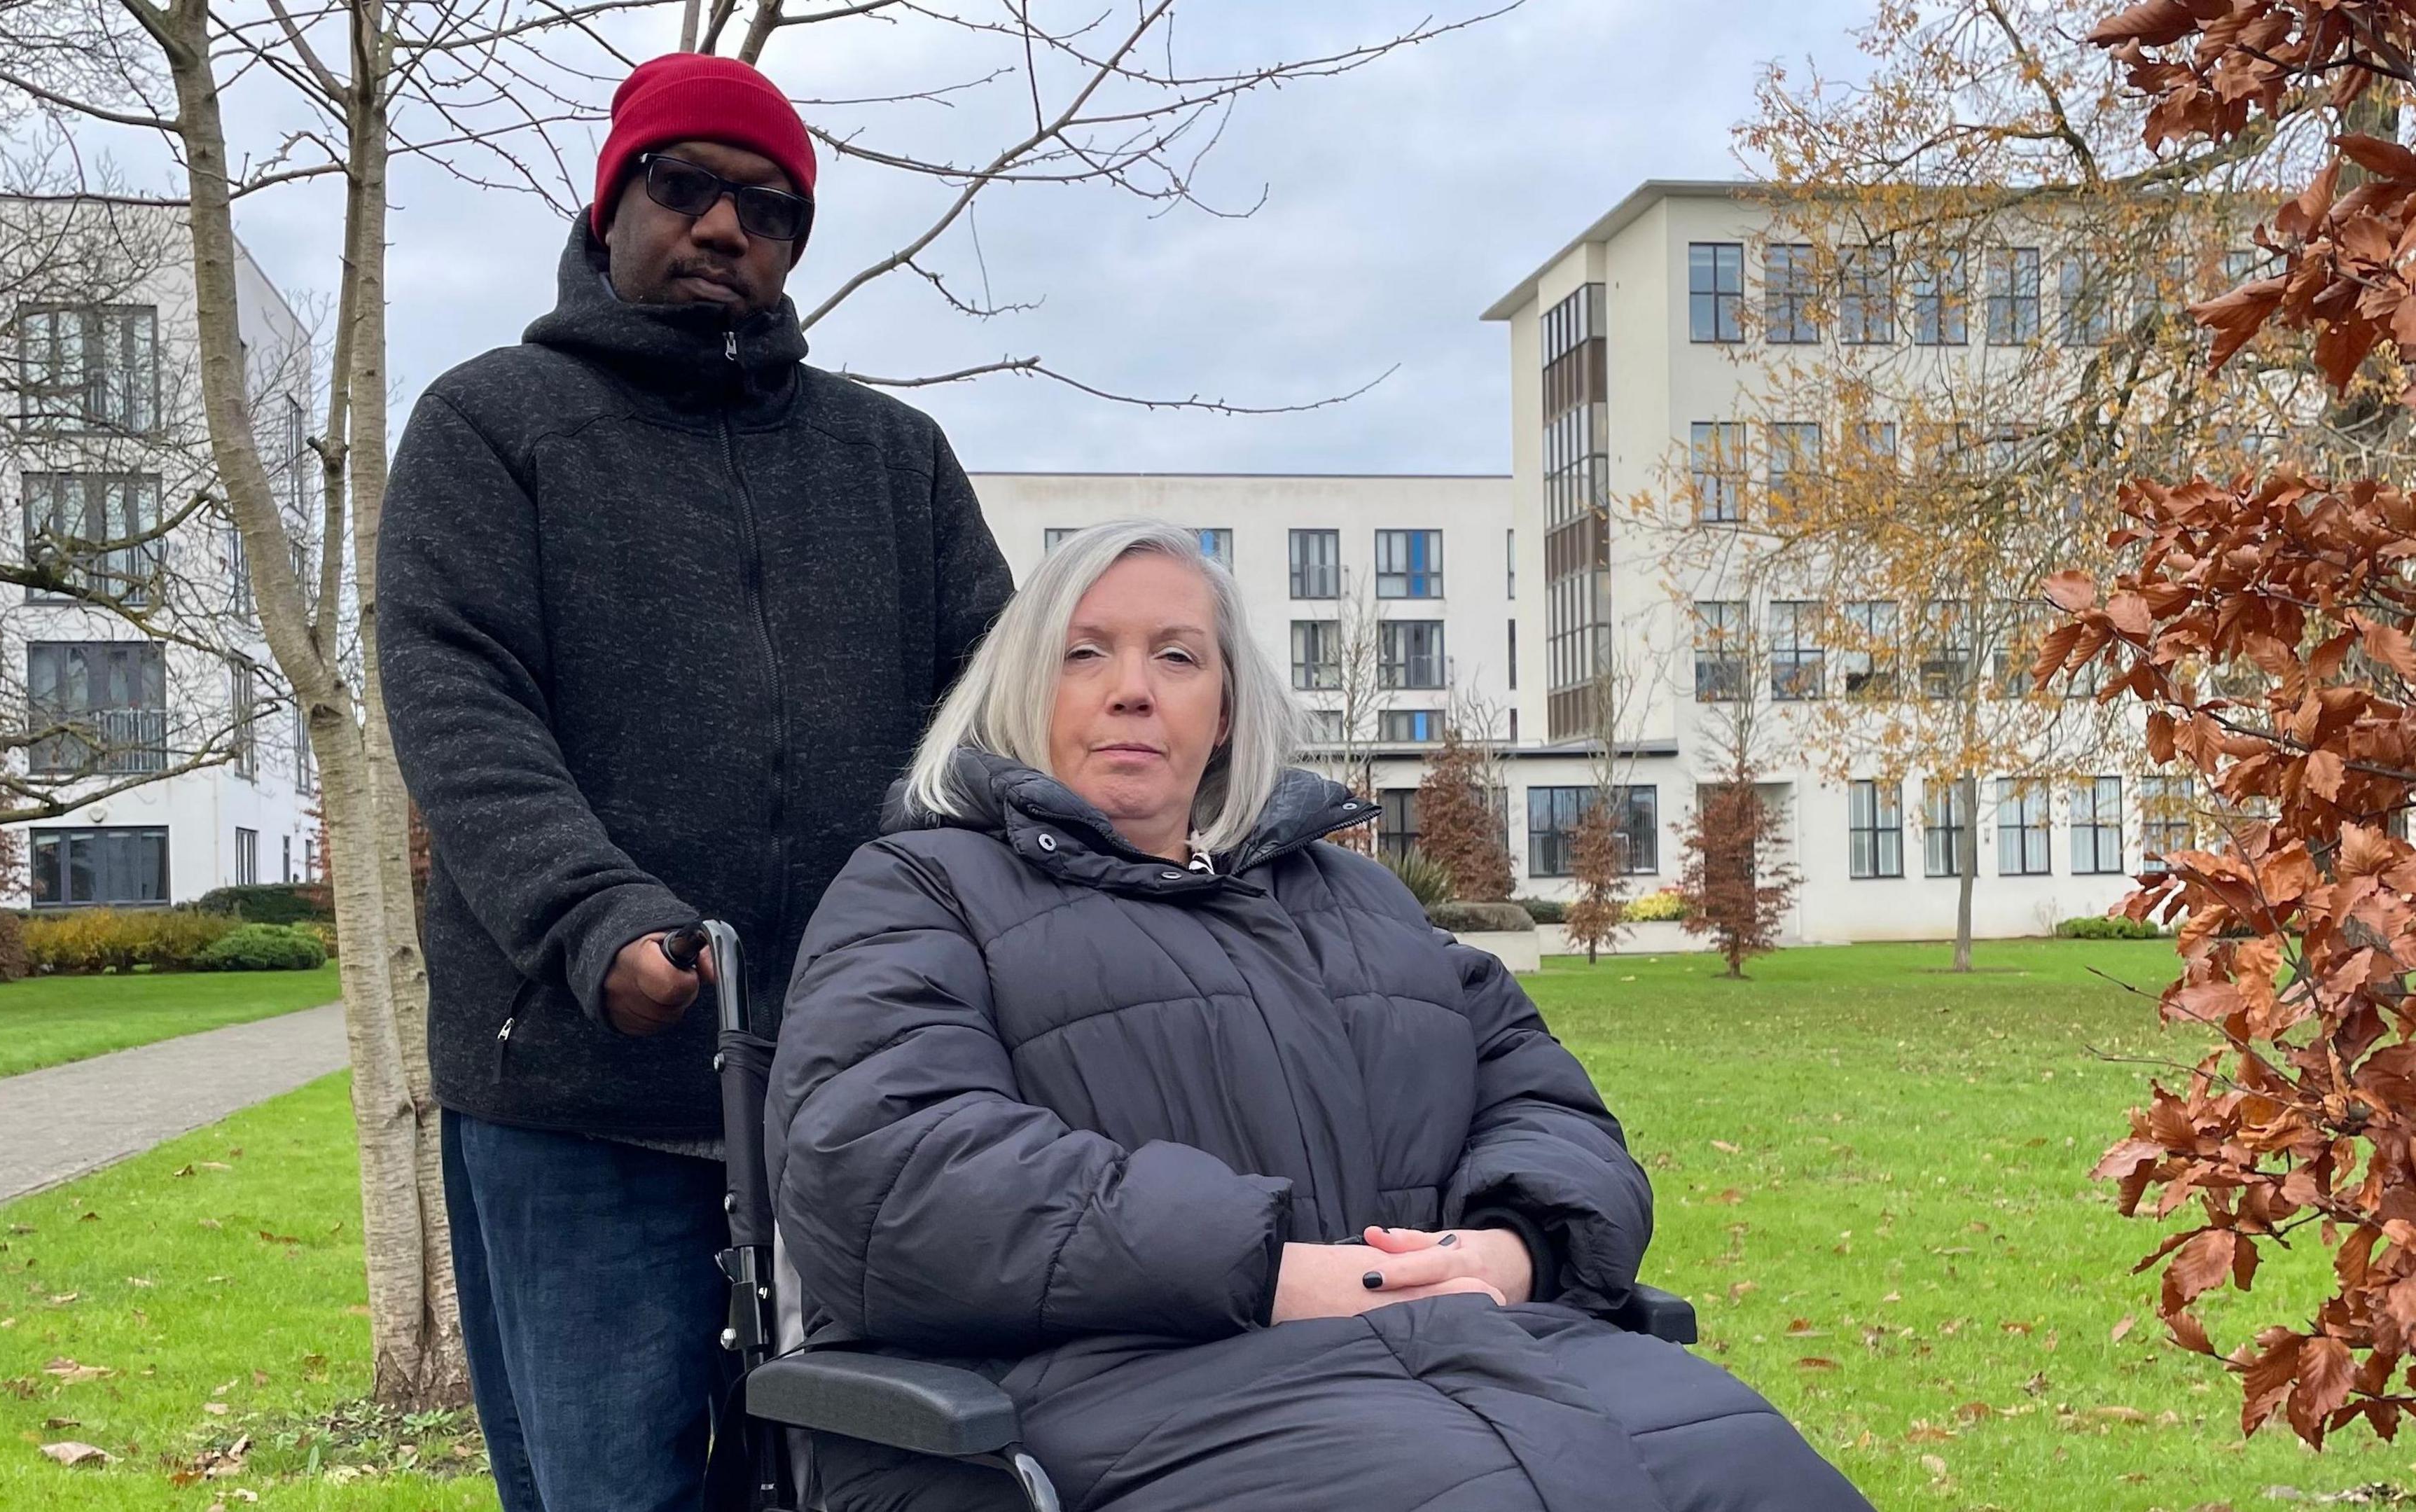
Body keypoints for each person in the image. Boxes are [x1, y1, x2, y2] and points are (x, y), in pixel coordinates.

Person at [765, 521, 1875, 1511]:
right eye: (1085, 651)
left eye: (1178, 656)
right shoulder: (921, 889)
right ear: (1020, 686)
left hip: (1482, 1351)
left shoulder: (1359, 898)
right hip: (1104, 1397)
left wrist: (1512, 1247)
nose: (1133, 689)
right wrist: (1274, 1271)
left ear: (1226, 706)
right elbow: (884, 1170)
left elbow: (1542, 1100)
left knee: (1763, 1479)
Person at [377, 50, 1013, 1512]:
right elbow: (459, 702)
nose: (726, 228)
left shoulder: (894, 460)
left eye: (770, 208)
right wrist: (594, 916)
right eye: (686, 188)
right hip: (582, 1096)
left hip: (856, 1100)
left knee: (865, 1473)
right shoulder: (490, 428)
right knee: (616, 1489)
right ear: (614, 207)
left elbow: (997, 714)